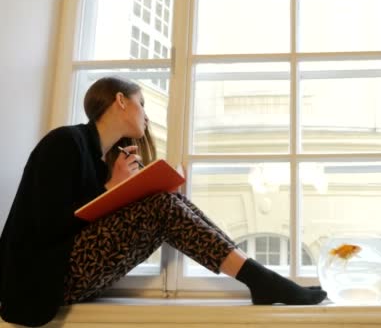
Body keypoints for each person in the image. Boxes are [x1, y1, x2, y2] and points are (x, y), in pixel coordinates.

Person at [0, 76, 326, 327]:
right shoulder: (65, 141)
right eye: (141, 102)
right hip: (40, 278)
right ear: (120, 101)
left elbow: (88, 219)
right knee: (162, 206)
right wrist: (113, 187)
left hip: (69, 272)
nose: (145, 114)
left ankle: (262, 279)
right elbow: (49, 225)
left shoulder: (100, 160)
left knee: (168, 199)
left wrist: (118, 189)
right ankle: (263, 280)